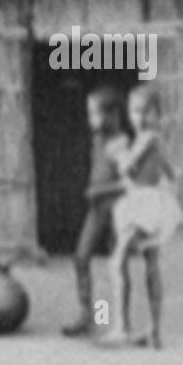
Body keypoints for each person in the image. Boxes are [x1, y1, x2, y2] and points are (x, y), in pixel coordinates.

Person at [100, 84, 183, 349]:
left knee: (117, 262)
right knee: (150, 266)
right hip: (150, 202)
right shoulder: (154, 141)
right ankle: (154, 332)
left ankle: (121, 327)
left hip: (143, 204)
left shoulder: (147, 138)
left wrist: (118, 153)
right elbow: (171, 172)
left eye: (144, 112)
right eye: (134, 111)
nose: (138, 117)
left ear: (155, 114)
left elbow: (128, 166)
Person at [62, 86, 131, 337]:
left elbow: (127, 182)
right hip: (97, 210)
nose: (91, 119)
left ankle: (122, 322)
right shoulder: (97, 141)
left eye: (95, 113)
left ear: (112, 114)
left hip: (116, 210)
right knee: (81, 257)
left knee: (118, 264)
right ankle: (86, 315)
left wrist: (98, 192)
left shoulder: (121, 145)